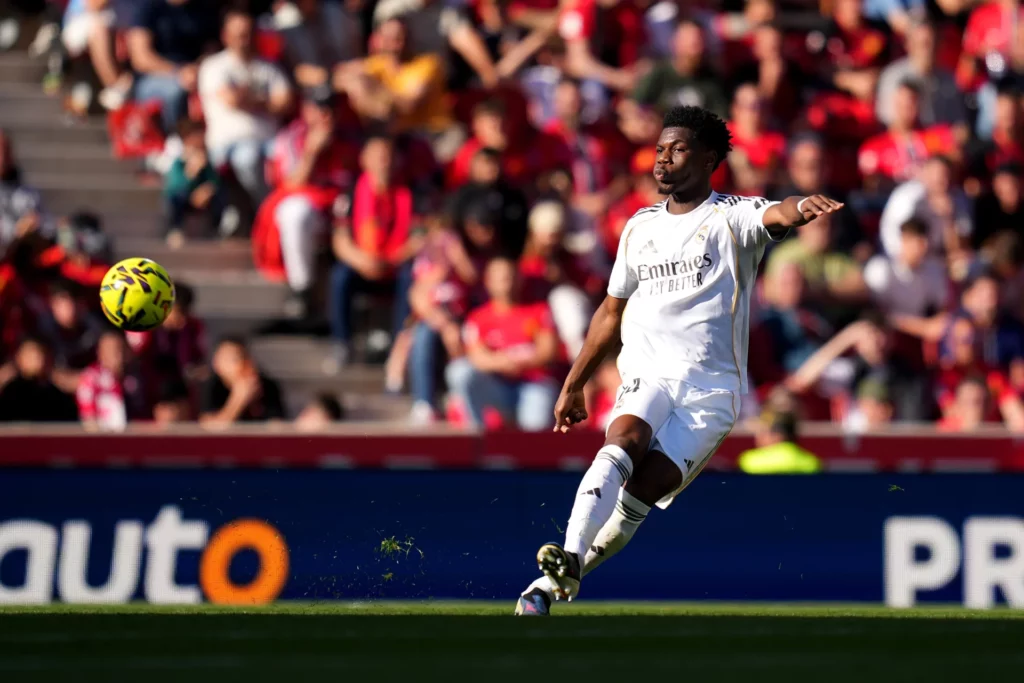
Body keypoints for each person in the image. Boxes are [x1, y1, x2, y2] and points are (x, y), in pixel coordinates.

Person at [514, 105, 844, 615]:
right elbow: (610, 310)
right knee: (623, 440)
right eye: (660, 149)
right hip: (648, 371)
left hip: (711, 393)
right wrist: (574, 382)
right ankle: (569, 554)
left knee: (640, 494)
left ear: (710, 158)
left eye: (678, 148)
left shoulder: (731, 217)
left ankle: (554, 584)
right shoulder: (639, 227)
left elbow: (777, 211)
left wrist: (801, 208)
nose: (663, 158)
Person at [445, 257, 559, 431]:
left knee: (535, 432)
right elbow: (476, 356)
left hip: (533, 384)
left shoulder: (539, 310)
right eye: (501, 277)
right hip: (497, 385)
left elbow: (548, 352)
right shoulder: (478, 318)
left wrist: (516, 363)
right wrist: (503, 363)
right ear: (488, 282)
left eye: (511, 275)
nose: (507, 281)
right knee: (459, 371)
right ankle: (476, 433)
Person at [198, 7, 293, 207]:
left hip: (270, 141)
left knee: (292, 153)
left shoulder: (269, 67)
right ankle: (269, 210)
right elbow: (233, 101)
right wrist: (266, 101)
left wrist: (247, 98)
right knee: (247, 158)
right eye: (239, 34)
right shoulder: (214, 66)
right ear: (226, 36)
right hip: (230, 144)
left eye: (248, 34)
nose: (244, 39)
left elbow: (285, 102)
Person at [127, 0, 220, 133]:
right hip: (154, 77)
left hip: (195, 74)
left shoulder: (203, 10)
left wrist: (197, 69)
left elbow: (212, 50)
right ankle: (174, 140)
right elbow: (141, 59)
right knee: (175, 91)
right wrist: (178, 72)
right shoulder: (149, 9)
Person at [199, 336, 285, 426]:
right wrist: (238, 399)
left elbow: (276, 425)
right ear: (216, 363)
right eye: (230, 359)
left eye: (240, 357)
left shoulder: (267, 385)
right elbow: (209, 428)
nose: (239, 363)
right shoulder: (211, 386)